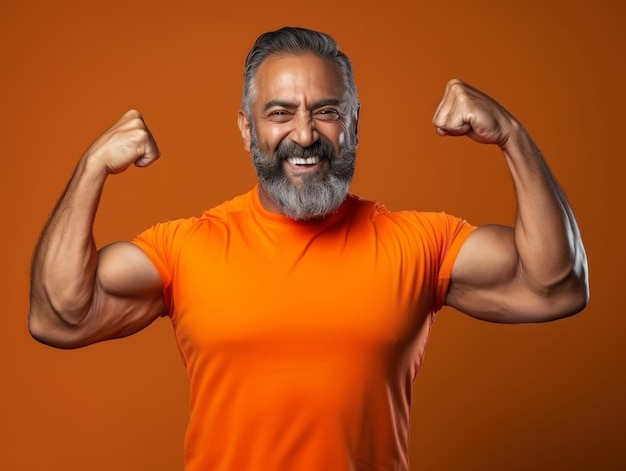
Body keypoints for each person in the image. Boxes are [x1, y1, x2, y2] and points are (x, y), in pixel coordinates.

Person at [28, 26, 589, 471]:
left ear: (353, 125)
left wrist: (511, 135)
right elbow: (59, 314)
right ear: (247, 130)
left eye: (326, 110)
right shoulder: (188, 247)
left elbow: (555, 286)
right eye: (280, 113)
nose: (304, 133)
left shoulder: (420, 243)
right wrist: (92, 167)